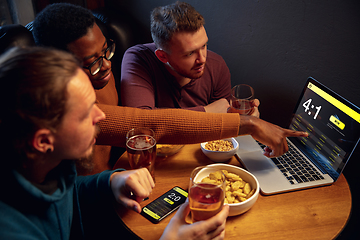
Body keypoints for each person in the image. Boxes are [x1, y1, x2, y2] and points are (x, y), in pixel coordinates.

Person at [32, 3, 307, 175]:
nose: (105, 66)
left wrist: (112, 184)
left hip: (107, 187)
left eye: (107, 51)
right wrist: (245, 123)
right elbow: (142, 123)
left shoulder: (98, 75)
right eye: (92, 62)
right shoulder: (50, 110)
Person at [0, 47, 230, 240]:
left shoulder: (48, 165)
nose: (100, 116)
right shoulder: (11, 230)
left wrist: (108, 182)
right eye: (84, 113)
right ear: (42, 141)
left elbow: (64, 196)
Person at [120, 1, 259, 115]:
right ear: (162, 56)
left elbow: (220, 127)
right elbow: (140, 122)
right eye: (190, 53)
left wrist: (247, 122)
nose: (203, 59)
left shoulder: (217, 66)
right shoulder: (138, 59)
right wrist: (205, 111)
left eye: (204, 46)